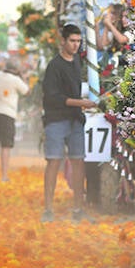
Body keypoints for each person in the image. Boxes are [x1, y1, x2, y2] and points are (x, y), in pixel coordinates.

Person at [41, 25, 98, 221]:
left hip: (75, 119)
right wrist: (81, 102)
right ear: (63, 41)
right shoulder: (54, 66)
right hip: (56, 119)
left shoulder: (77, 62)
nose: (76, 45)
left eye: (78, 41)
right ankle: (48, 209)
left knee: (78, 161)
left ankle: (78, 209)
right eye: (72, 41)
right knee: (53, 162)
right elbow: (52, 97)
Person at [0, 58, 30, 183]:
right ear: (15, 69)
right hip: (7, 114)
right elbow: (27, 91)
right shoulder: (16, 80)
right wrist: (23, 77)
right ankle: (4, 176)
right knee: (6, 146)